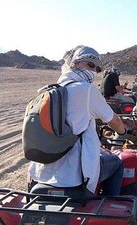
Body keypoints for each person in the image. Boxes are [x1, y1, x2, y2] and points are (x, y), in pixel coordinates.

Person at [28, 45, 127, 196]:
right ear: (74, 63)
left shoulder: (50, 90)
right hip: (74, 178)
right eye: (90, 64)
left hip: (40, 174)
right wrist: (123, 131)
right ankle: (110, 212)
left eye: (97, 68)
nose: (94, 70)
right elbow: (114, 121)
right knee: (117, 163)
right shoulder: (86, 89)